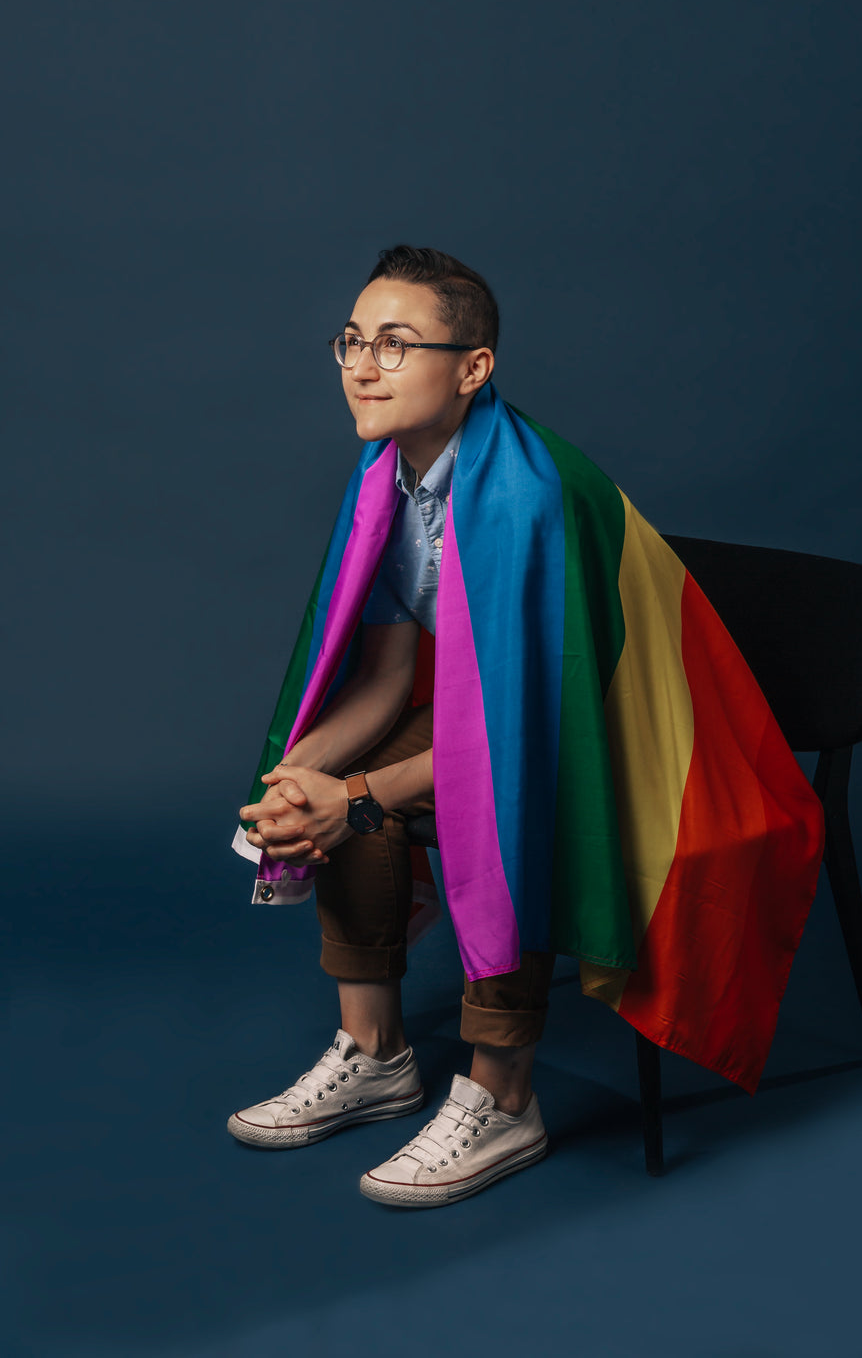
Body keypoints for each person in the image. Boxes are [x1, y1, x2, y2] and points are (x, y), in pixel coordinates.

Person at [227, 245, 825, 1210]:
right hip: (515, 719)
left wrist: (356, 797)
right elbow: (383, 678)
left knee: (489, 809)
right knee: (338, 783)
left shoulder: (524, 498)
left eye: (395, 343)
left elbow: (528, 738)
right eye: (350, 340)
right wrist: (295, 781)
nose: (362, 365)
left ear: (473, 369)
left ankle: (504, 1094)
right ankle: (376, 1052)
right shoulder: (387, 476)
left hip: (643, 738)